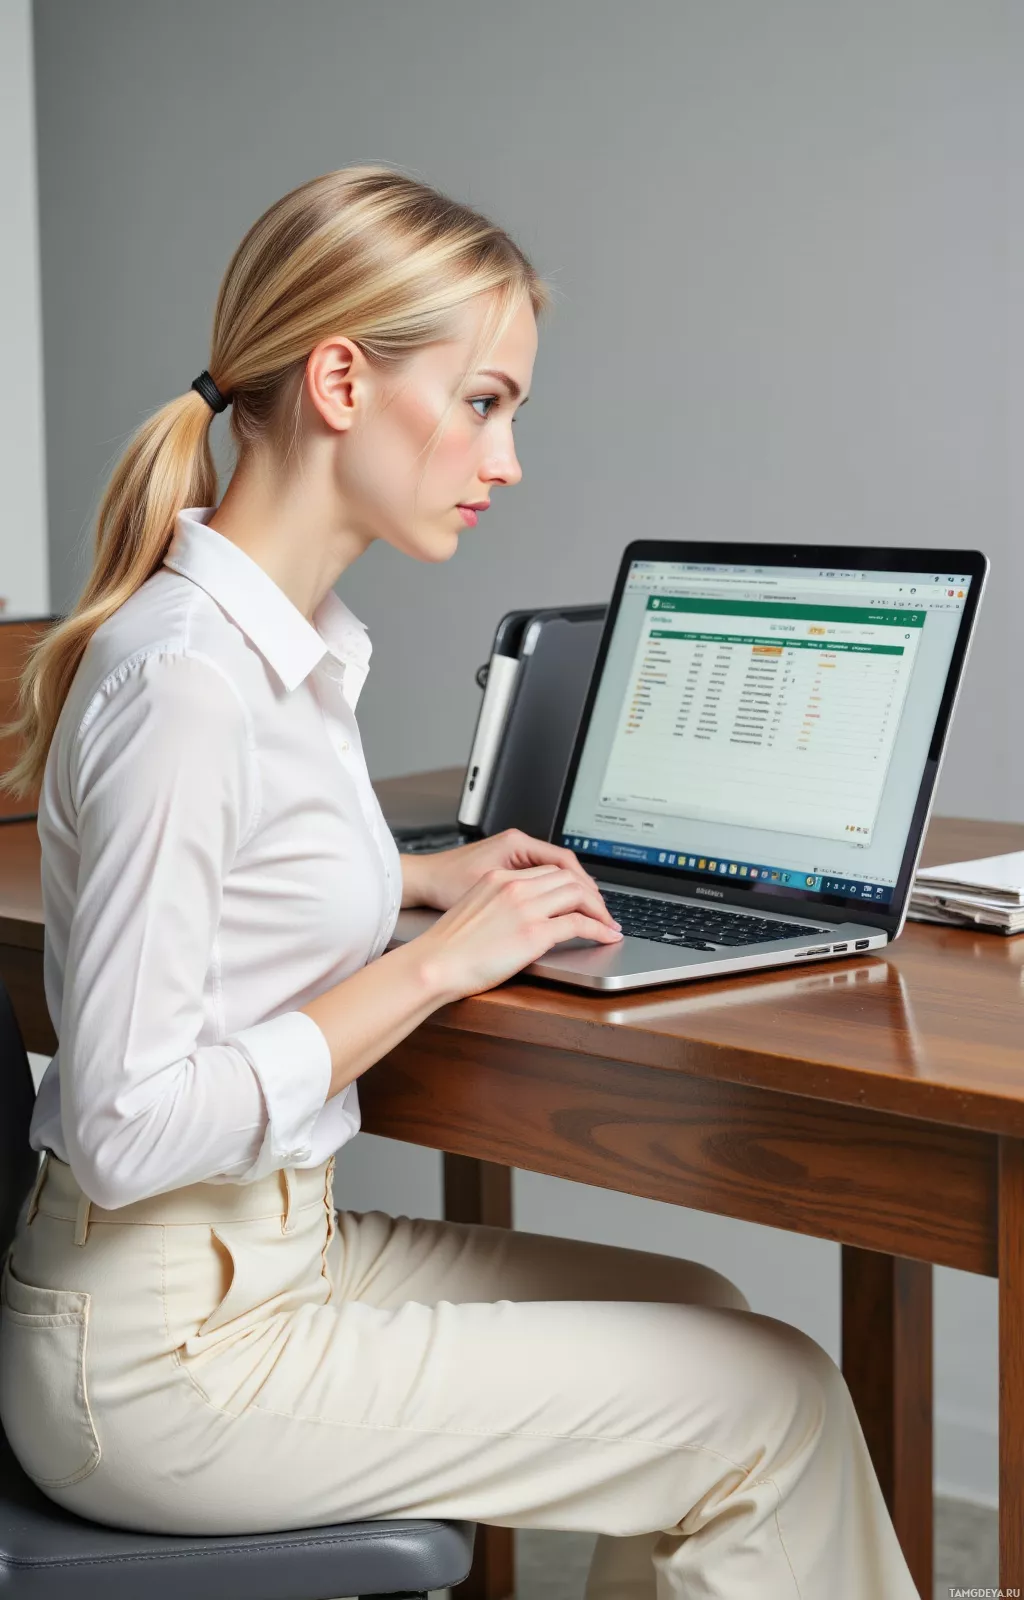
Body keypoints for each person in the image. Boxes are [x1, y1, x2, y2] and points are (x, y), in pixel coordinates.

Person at [0, 164, 918, 1598]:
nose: (507, 460)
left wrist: (413, 877)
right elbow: (121, 1125)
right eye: (484, 402)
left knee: (703, 1312)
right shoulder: (187, 684)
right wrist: (430, 965)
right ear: (344, 381)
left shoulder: (289, 657)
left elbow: (240, 872)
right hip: (161, 1353)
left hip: (259, 1262)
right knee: (768, 1405)